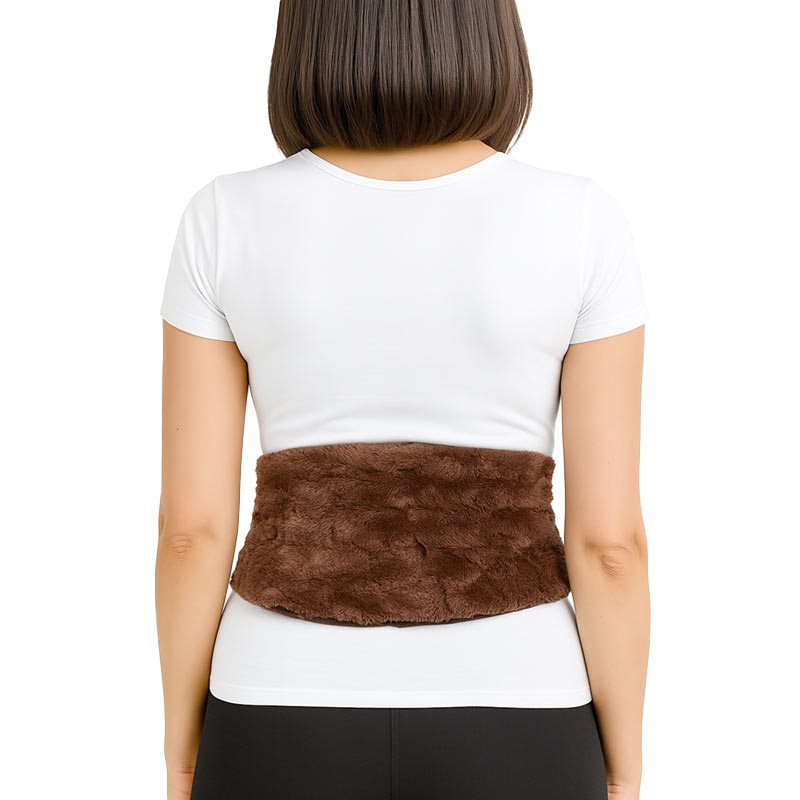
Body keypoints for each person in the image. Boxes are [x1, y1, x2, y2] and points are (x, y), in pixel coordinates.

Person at [156, 1, 651, 798]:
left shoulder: (224, 215)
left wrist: (184, 753)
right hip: (520, 703)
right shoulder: (581, 218)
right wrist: (622, 764)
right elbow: (610, 546)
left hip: (277, 701)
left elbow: (191, 533)